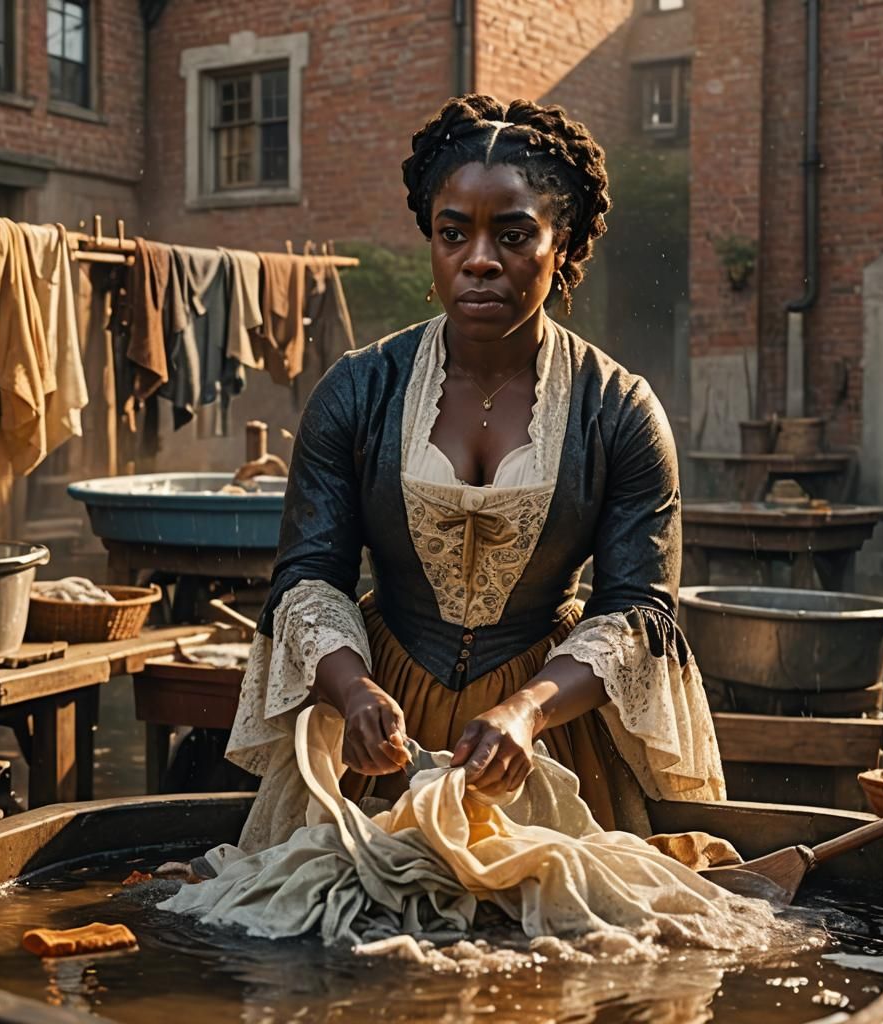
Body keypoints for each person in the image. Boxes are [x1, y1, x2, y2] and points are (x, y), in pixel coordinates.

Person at [229, 94, 724, 853]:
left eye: (515, 233)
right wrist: (352, 689)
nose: (480, 258)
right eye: (453, 233)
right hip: (377, 718)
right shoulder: (358, 392)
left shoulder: (619, 410)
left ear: (563, 246)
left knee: (545, 951)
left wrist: (527, 710)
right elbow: (306, 578)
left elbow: (638, 612)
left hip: (553, 733)